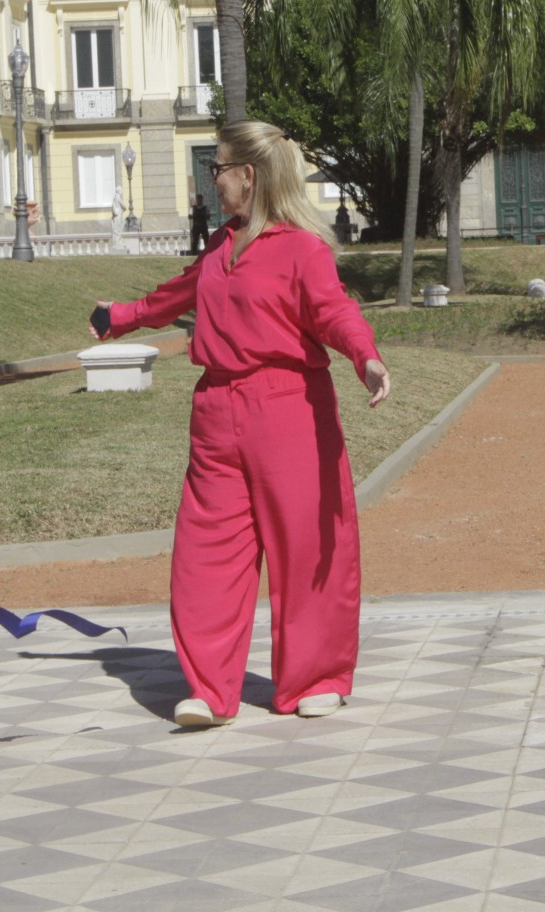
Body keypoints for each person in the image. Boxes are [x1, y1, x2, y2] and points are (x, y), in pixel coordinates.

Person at [94, 120, 391, 727]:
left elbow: (334, 309)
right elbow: (175, 296)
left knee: (306, 549)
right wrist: (117, 317)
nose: (213, 179)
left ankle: (316, 677)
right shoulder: (219, 247)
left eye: (218, 168)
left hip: (290, 410)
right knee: (206, 555)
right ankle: (209, 688)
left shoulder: (302, 248)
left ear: (247, 176)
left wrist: (365, 356)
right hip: (216, 412)